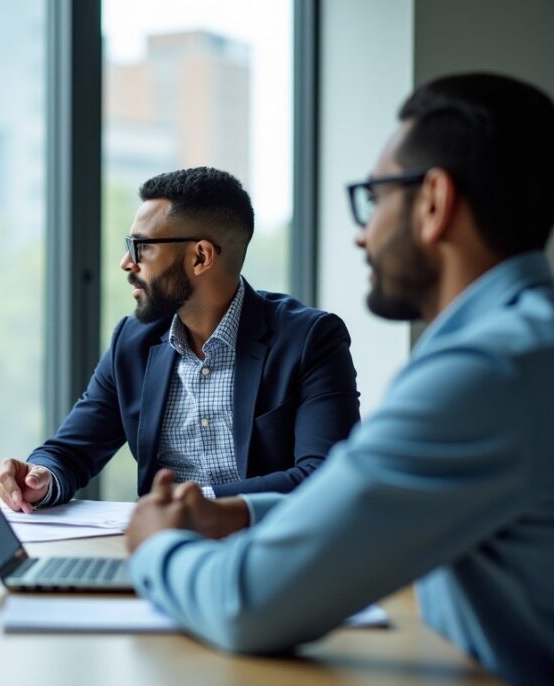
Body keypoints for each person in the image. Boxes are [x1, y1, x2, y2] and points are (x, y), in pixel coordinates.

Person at [123, 73, 554, 684]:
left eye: (374, 198)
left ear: (433, 203)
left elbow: (249, 604)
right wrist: (241, 514)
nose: (362, 232)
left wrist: (157, 544)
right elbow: (371, 506)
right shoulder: (526, 346)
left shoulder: (487, 373)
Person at [0, 168, 360, 512]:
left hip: (269, 551)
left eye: (141, 248)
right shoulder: (132, 341)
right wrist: (42, 477)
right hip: (161, 550)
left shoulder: (311, 339)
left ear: (200, 256)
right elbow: (70, 451)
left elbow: (325, 478)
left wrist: (192, 503)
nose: (126, 262)